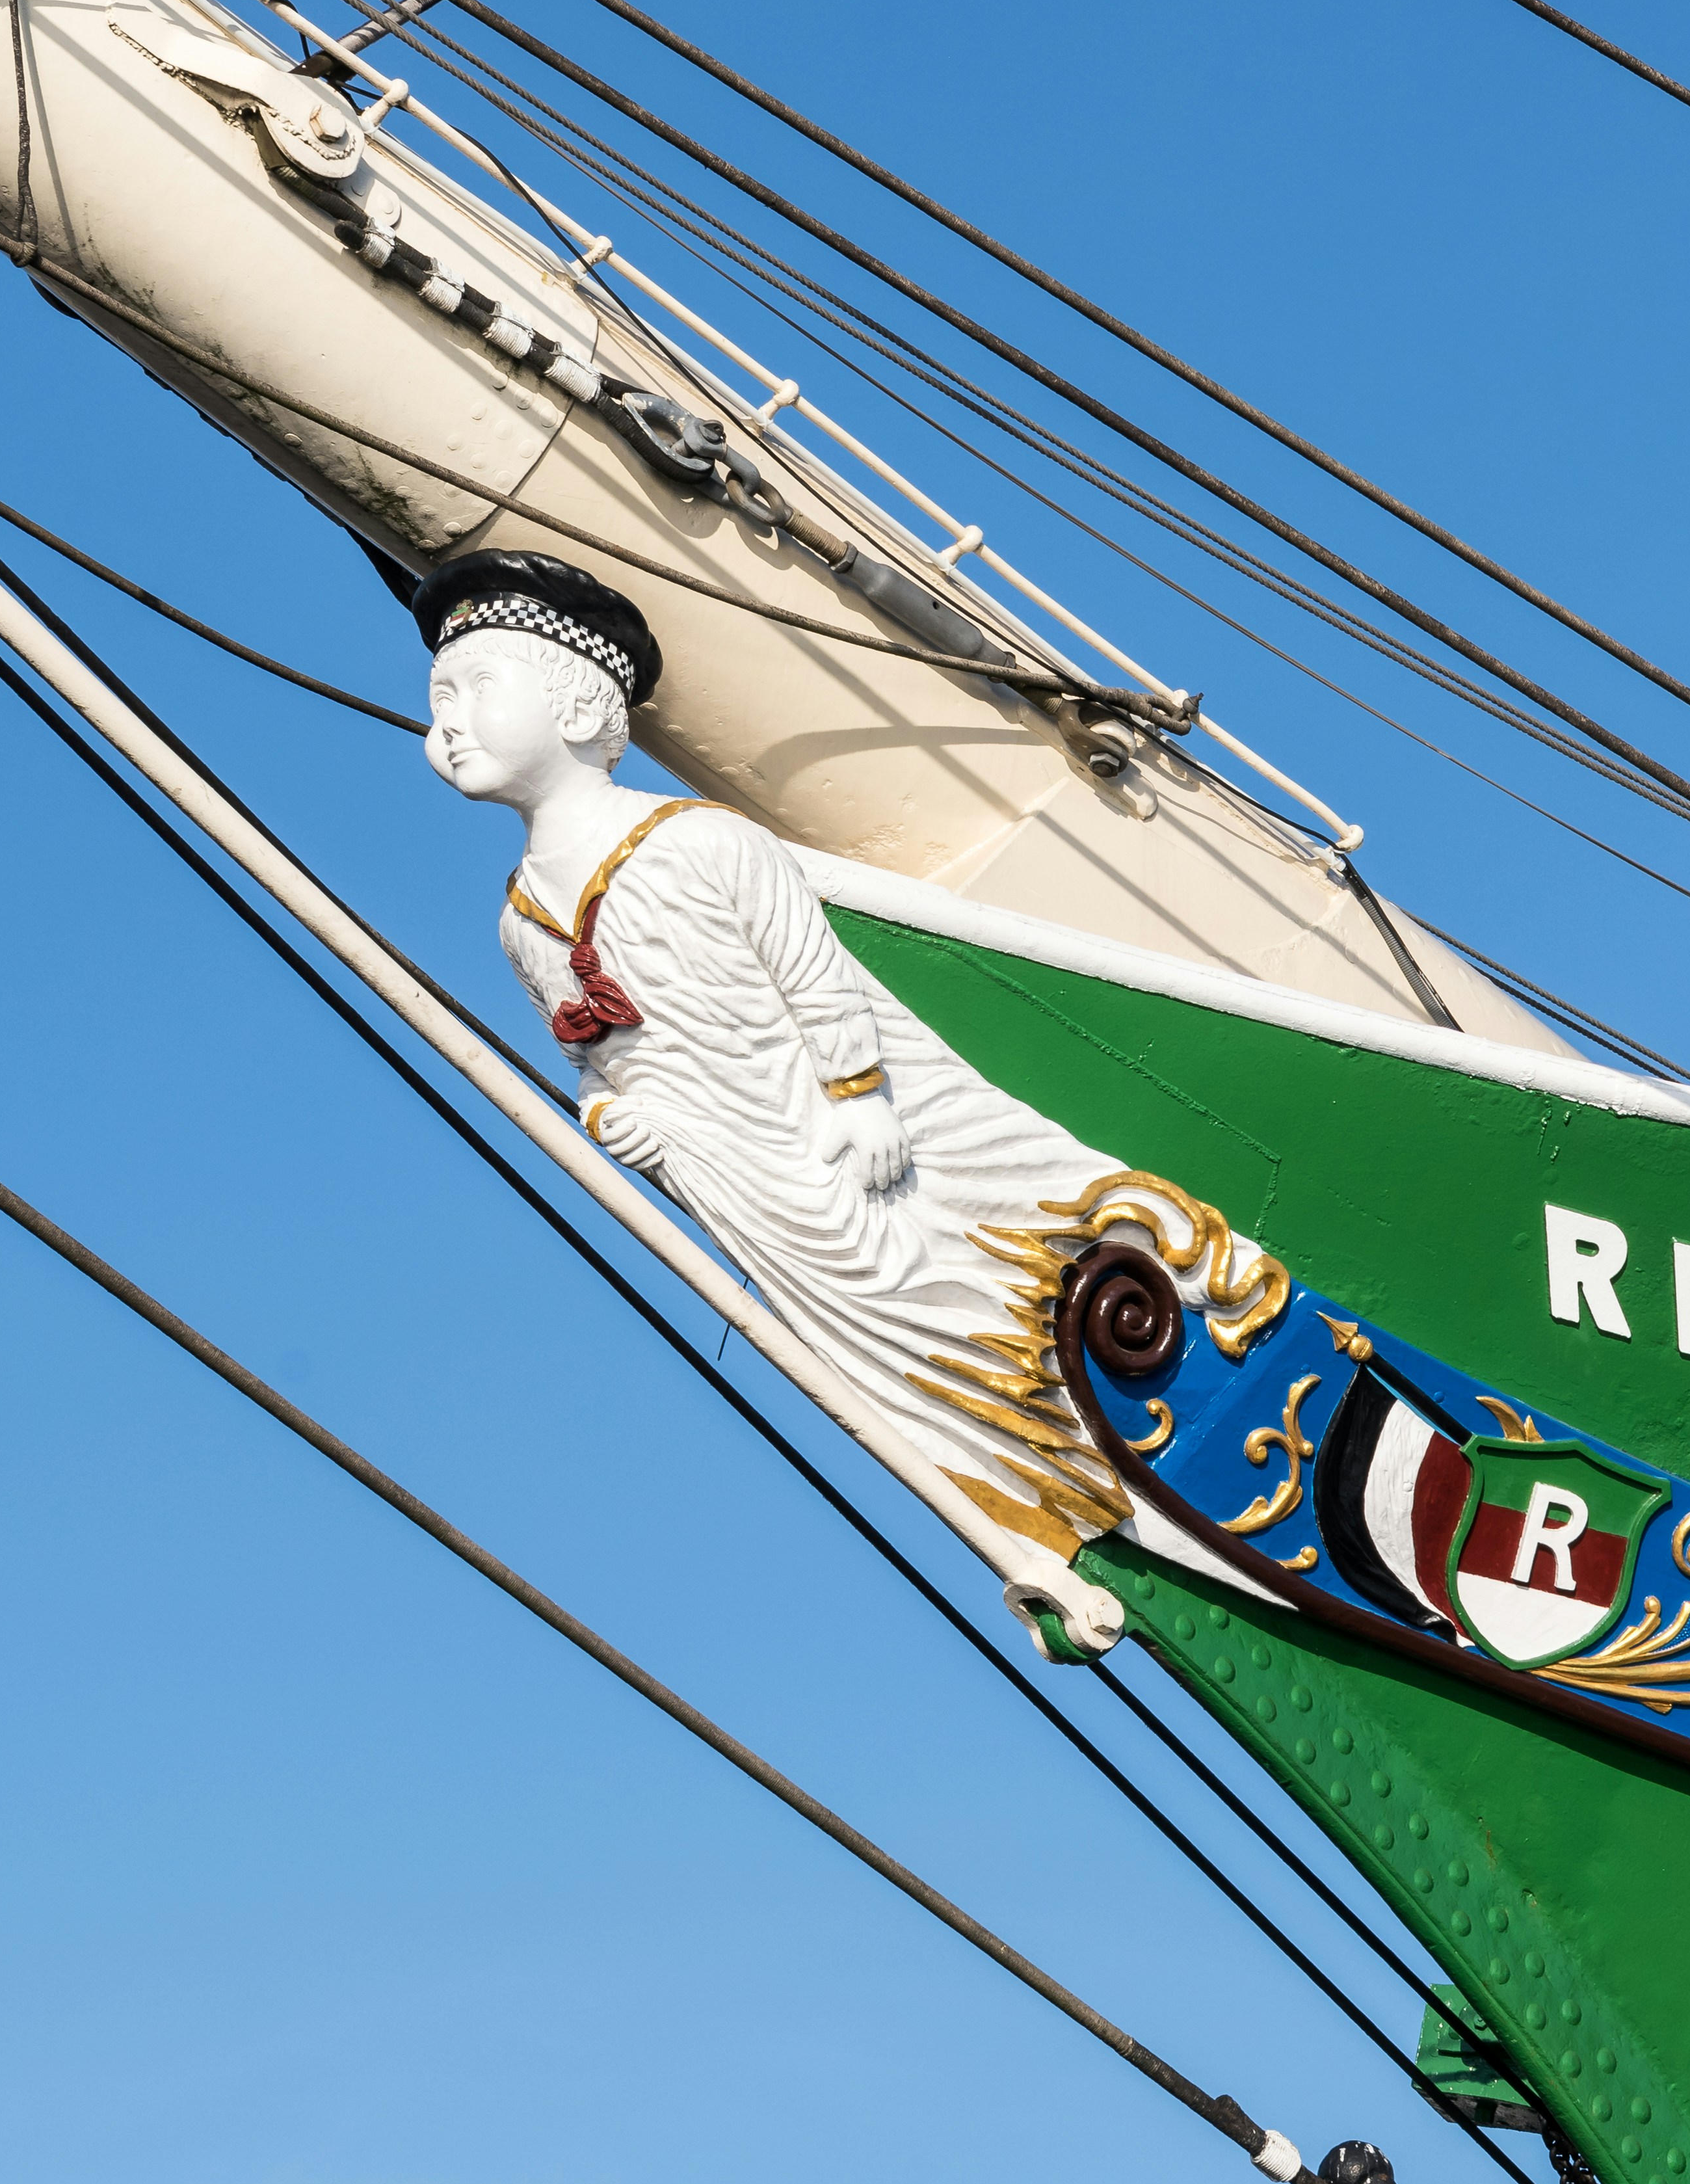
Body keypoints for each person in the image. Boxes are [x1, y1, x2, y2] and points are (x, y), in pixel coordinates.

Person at [415, 548, 1263, 1557]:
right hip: (741, 1180)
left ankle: (1103, 1413)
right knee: (882, 1336)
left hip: (832, 1129)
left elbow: (812, 969)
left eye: (475, 688)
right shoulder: (521, 926)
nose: (448, 720)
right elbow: (599, 1059)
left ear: (577, 707)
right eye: (438, 700)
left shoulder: (699, 842)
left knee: (950, 1268)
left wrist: (860, 1094)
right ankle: (1028, 1467)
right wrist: (613, 1117)